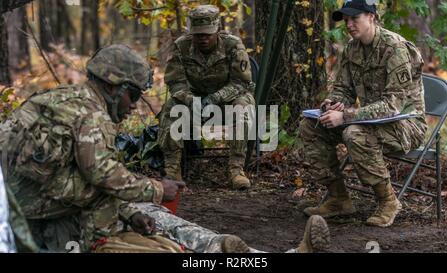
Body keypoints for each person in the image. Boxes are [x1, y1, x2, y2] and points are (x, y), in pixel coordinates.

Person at [0, 44, 330, 253]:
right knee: (160, 226)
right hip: (55, 223)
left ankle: (228, 250)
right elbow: (102, 177)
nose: (134, 106)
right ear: (115, 87)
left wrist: (131, 208)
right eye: (133, 96)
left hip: (38, 209)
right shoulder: (91, 115)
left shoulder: (60, 99)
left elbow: (84, 178)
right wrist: (157, 189)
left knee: (149, 216)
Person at [299, 0, 427, 227]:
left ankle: (388, 201)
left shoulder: (395, 48)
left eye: (354, 18)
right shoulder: (352, 48)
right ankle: (338, 198)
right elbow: (344, 89)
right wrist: (334, 103)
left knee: (354, 133)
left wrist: (346, 115)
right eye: (346, 20)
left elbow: (392, 106)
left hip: (406, 125)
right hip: (369, 121)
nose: (349, 24)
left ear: (372, 17)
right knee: (310, 126)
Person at [158, 5, 255, 190]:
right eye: (198, 34)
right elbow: (175, 81)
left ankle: (236, 170)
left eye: (207, 34)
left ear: (217, 29)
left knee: (242, 108)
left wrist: (215, 98)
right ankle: (172, 170)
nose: (202, 39)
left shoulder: (233, 45)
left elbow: (241, 83)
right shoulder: (182, 46)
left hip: (229, 99)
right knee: (171, 108)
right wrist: (190, 99)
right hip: (194, 100)